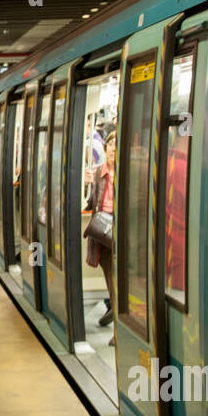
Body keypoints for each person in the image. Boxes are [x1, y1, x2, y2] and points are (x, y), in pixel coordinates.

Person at [85, 130, 117, 338]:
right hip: (104, 236)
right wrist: (85, 185)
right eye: (111, 146)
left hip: (122, 235)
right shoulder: (97, 173)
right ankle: (117, 331)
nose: (114, 149)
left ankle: (117, 317)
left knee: (122, 282)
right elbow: (90, 203)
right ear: (105, 150)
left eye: (117, 145)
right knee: (112, 281)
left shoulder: (129, 172)